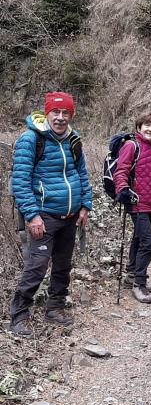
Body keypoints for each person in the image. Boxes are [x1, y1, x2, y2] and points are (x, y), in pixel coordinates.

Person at [9, 92, 92, 337]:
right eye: (56, 112)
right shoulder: (31, 139)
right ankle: (19, 315)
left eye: (66, 113)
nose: (60, 117)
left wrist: (86, 205)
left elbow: (82, 175)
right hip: (43, 216)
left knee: (63, 265)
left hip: (70, 215)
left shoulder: (74, 140)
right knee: (36, 266)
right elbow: (21, 182)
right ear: (47, 113)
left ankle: (54, 307)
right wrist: (32, 216)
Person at [114, 112, 151, 303]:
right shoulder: (131, 145)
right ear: (139, 127)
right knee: (148, 243)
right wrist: (123, 189)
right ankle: (139, 283)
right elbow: (121, 171)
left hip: (150, 203)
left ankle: (131, 274)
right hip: (136, 202)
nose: (150, 129)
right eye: (147, 125)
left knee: (138, 239)